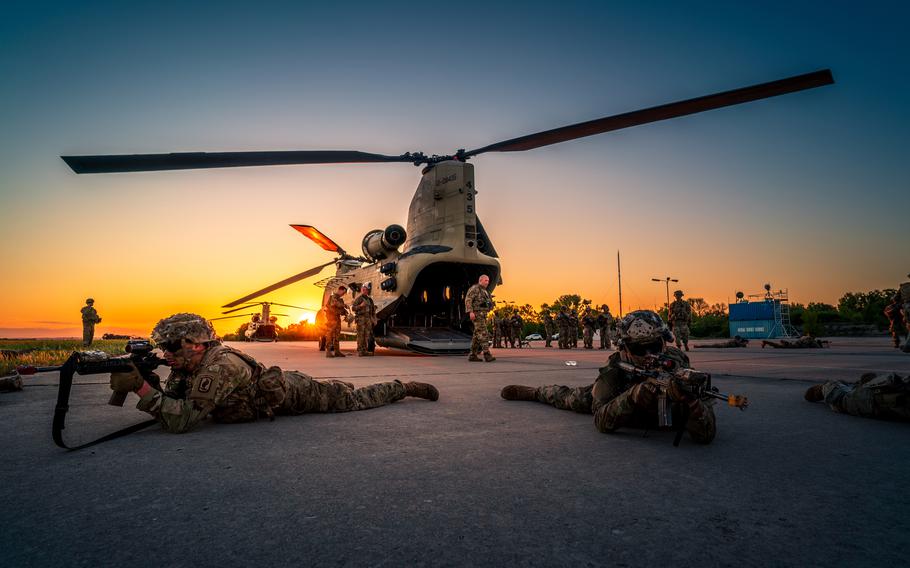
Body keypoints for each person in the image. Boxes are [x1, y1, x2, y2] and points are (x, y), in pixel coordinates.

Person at [107, 313, 439, 434]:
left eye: (171, 346)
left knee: (352, 399)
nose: (166, 353)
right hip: (269, 388)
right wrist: (151, 385)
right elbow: (176, 403)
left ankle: (402, 386)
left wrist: (141, 390)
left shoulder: (221, 366)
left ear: (195, 344)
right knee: (341, 388)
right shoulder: (189, 363)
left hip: (296, 394)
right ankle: (342, 384)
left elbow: (181, 421)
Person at [500, 310, 716, 444]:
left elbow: (706, 434)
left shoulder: (677, 361)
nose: (650, 355)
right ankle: (536, 392)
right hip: (618, 400)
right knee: (571, 398)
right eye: (640, 350)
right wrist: (632, 397)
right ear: (625, 349)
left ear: (663, 342)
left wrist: (693, 404)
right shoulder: (616, 366)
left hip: (659, 412)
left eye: (654, 346)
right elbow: (601, 420)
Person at [804, 372, 910, 422]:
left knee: (839, 396)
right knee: (844, 394)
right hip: (879, 398)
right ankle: (859, 385)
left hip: (874, 400)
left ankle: (826, 388)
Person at [465, 274, 495, 362]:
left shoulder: (485, 291)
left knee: (477, 336)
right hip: (477, 314)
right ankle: (487, 354)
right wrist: (470, 312)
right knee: (483, 333)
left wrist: (490, 307)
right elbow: (468, 299)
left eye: (488, 281)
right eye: (486, 280)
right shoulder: (475, 289)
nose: (487, 283)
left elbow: (488, 302)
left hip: (483, 315)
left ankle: (472, 355)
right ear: (480, 280)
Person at [324, 285, 349, 358]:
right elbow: (335, 304)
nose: (343, 294)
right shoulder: (333, 296)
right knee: (330, 334)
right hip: (332, 318)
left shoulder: (339, 298)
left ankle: (337, 351)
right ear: (340, 290)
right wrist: (344, 305)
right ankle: (328, 352)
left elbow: (339, 308)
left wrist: (344, 312)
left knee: (337, 335)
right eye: (343, 292)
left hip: (337, 318)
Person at [352, 284, 377, 356]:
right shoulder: (359, 299)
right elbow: (353, 308)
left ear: (367, 291)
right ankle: (360, 351)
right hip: (361, 319)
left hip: (368, 319)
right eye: (363, 290)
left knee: (367, 335)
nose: (364, 291)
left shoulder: (370, 300)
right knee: (360, 335)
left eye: (365, 290)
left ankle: (365, 350)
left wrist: (374, 319)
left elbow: (372, 311)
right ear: (361, 291)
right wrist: (360, 306)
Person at [761, 335, 830, 349]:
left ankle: (785, 343)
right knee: (779, 346)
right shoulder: (811, 340)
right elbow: (817, 347)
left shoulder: (805, 336)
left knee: (780, 346)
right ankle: (766, 342)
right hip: (797, 345)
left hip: (795, 343)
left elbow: (799, 337)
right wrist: (821, 344)